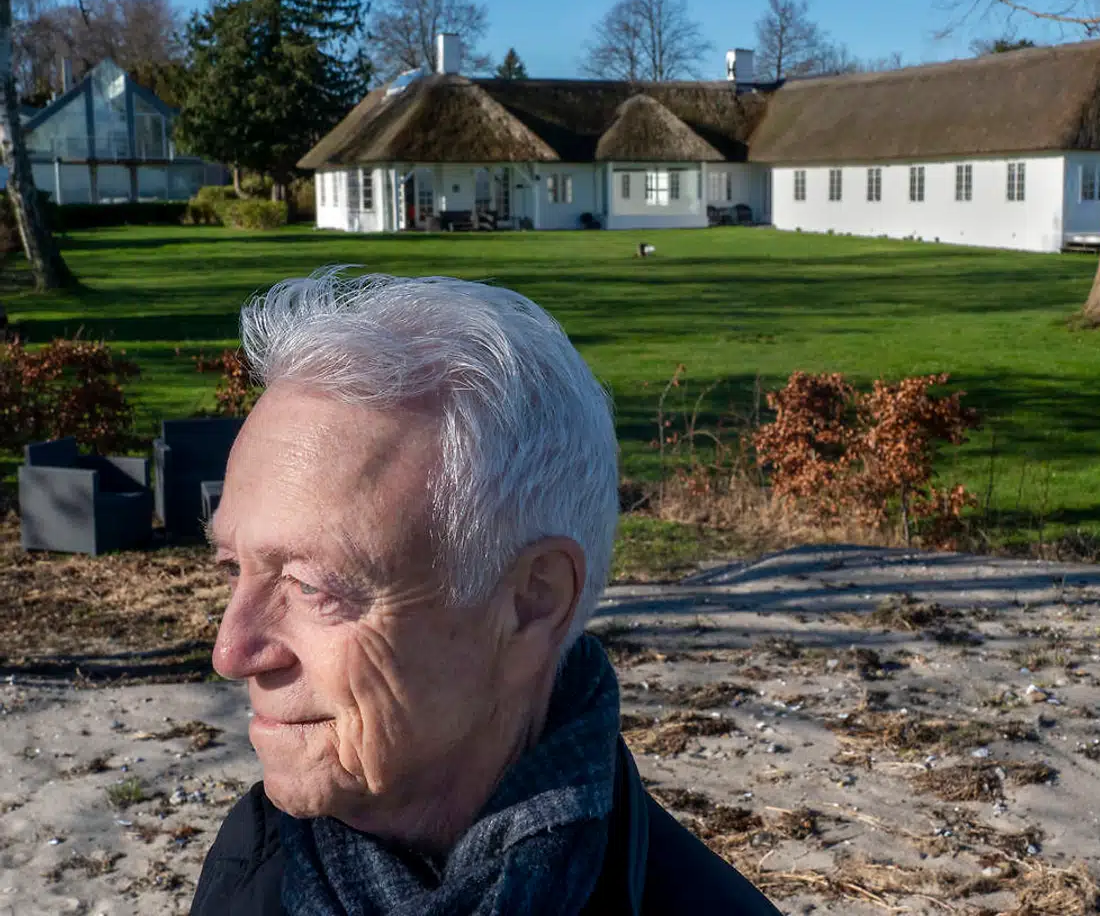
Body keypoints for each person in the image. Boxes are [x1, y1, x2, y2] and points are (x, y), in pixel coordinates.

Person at [191, 271, 779, 915]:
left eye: (310, 585)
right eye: (231, 567)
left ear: (533, 603)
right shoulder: (254, 865)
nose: (231, 650)